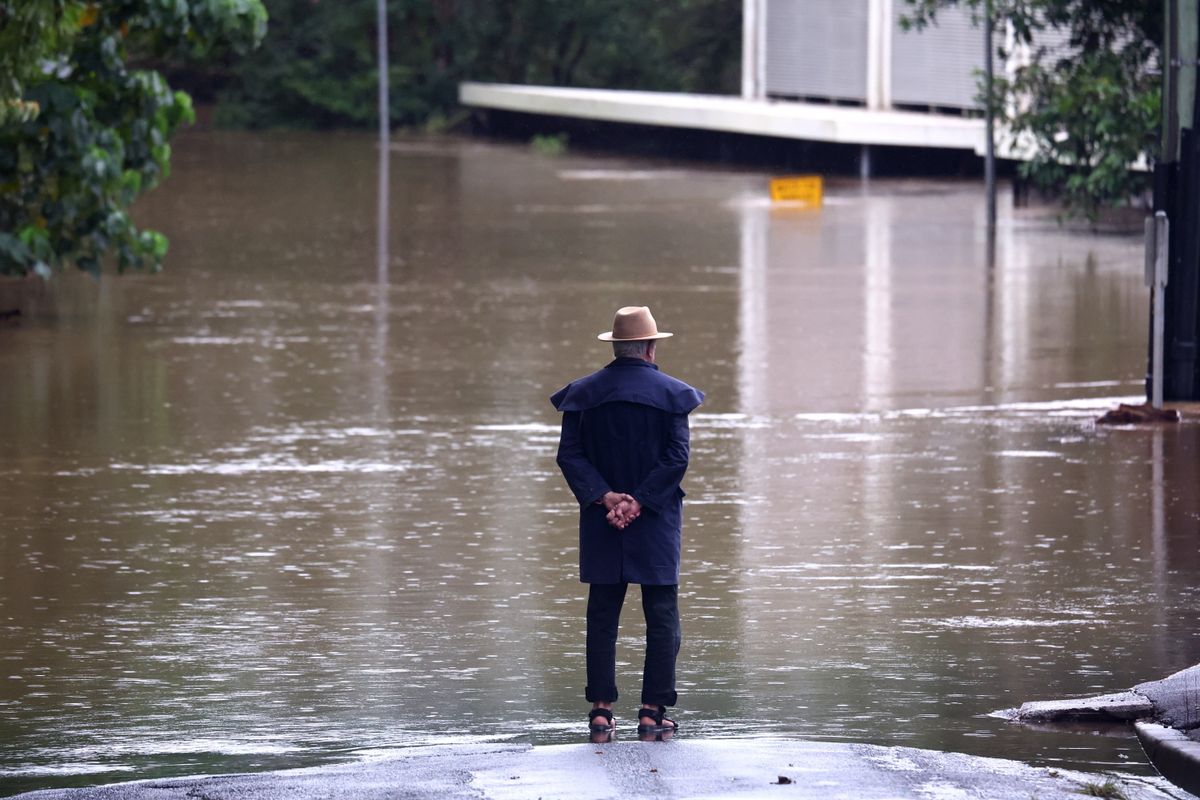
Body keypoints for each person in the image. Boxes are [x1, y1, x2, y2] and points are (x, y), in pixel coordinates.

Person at [550, 305, 704, 738]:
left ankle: (601, 710)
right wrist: (639, 501)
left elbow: (570, 456)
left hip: (602, 518)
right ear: (651, 348)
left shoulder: (583, 394)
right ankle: (653, 712)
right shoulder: (673, 395)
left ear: (617, 347)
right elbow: (677, 458)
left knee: (602, 614)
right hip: (655, 517)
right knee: (661, 614)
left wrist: (606, 497)